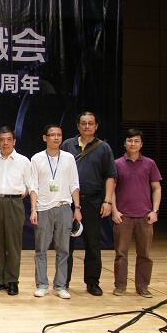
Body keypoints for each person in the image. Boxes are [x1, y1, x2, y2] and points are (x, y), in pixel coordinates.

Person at [61, 111, 117, 296]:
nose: (87, 126)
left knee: (93, 243)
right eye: (83, 123)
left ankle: (92, 282)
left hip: (93, 201)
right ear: (78, 126)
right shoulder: (67, 145)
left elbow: (110, 176)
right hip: (68, 202)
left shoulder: (104, 148)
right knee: (66, 244)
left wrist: (107, 201)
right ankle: (63, 281)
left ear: (96, 126)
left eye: (90, 123)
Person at [29, 125, 82, 299]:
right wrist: (33, 209)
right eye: (52, 135)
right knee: (41, 249)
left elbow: (74, 184)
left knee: (64, 249)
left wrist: (77, 208)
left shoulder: (69, 158)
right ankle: (42, 285)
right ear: (45, 138)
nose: (56, 138)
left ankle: (60, 286)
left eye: (59, 134)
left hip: (64, 207)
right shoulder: (37, 159)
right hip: (43, 208)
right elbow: (33, 186)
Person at [111, 128, 162, 298]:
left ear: (141, 144)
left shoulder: (150, 164)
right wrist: (114, 210)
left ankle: (143, 286)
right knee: (121, 254)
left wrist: (154, 211)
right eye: (130, 141)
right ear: (124, 143)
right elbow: (111, 189)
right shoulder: (117, 164)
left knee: (144, 254)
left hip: (145, 216)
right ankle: (120, 286)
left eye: (136, 141)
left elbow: (156, 188)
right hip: (123, 216)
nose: (133, 144)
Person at [0, 126, 31, 296]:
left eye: (9, 140)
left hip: (15, 202)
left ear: (14, 141)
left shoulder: (23, 161)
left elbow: (29, 185)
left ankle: (12, 280)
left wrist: (19, 195)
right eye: (2, 140)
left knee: (13, 244)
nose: (5, 143)